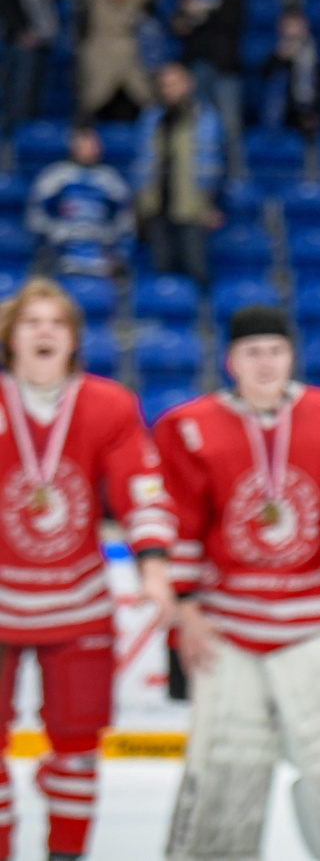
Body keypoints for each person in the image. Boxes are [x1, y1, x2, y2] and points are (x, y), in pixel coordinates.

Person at [153, 306, 320, 861]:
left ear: (291, 357)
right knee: (224, 773)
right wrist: (188, 614)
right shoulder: (189, 426)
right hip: (227, 630)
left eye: (275, 351)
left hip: (315, 624)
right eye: (252, 352)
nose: (265, 363)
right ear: (231, 362)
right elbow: (177, 520)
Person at [0, 279, 177, 861]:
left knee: (78, 750)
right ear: (11, 337)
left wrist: (153, 564)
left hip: (77, 605)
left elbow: (141, 487)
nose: (45, 332)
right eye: (32, 322)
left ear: (74, 339)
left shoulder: (108, 404)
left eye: (57, 323)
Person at [132, 62, 224, 285]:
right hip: (156, 205)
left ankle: (201, 307)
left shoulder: (205, 118)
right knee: (161, 269)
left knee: (196, 267)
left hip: (191, 205)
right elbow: (142, 161)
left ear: (188, 84)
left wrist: (209, 202)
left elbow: (215, 164)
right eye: (164, 85)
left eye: (174, 84)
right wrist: (140, 199)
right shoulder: (151, 118)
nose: (169, 90)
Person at [169, 0, 247, 174]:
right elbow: (176, 27)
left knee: (230, 128)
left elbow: (232, 21)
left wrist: (203, 12)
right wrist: (185, 19)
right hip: (195, 68)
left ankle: (236, 179)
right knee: (197, 129)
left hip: (225, 70)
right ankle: (199, 179)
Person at [27, 126, 131, 277]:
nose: (89, 149)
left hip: (99, 247)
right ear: (73, 147)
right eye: (84, 144)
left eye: (93, 145)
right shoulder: (55, 176)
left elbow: (125, 218)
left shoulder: (111, 180)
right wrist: (53, 231)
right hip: (62, 248)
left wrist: (110, 236)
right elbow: (35, 213)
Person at [74, 0, 158, 123]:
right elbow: (83, 30)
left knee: (142, 106)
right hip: (100, 60)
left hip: (135, 63)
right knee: (95, 106)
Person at [0, 0, 60, 132]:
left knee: (30, 102)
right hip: (22, 41)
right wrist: (20, 31)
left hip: (37, 39)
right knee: (20, 102)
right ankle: (12, 147)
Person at [258, 8, 320, 136]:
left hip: (308, 113)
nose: (293, 31)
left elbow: (318, 85)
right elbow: (264, 75)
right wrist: (281, 57)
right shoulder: (276, 51)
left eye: (296, 25)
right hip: (281, 115)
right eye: (289, 26)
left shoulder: (314, 52)